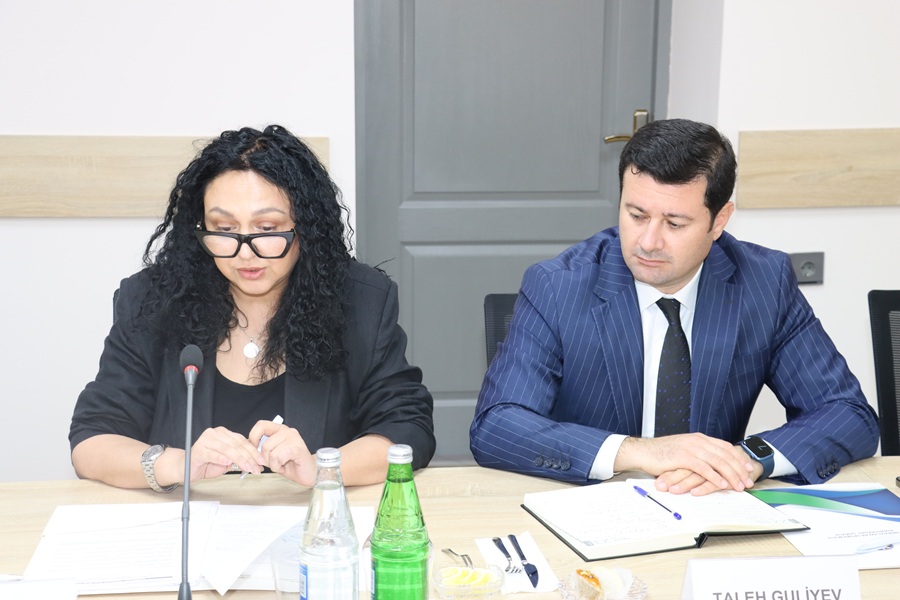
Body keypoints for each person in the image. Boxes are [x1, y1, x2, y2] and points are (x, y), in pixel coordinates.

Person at [470, 118, 878, 496]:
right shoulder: (558, 286)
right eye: (636, 215)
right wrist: (638, 452)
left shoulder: (763, 283)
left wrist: (746, 459)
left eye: (675, 224)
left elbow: (847, 413)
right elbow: (497, 425)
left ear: (719, 221)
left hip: (706, 505)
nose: (648, 242)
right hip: (589, 506)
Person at [70, 125, 435, 491]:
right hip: (190, 520)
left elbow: (407, 428)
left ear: (306, 228)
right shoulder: (152, 300)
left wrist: (321, 469)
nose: (245, 253)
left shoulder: (361, 301)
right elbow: (92, 440)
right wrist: (178, 463)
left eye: (267, 228)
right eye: (224, 228)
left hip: (310, 520)